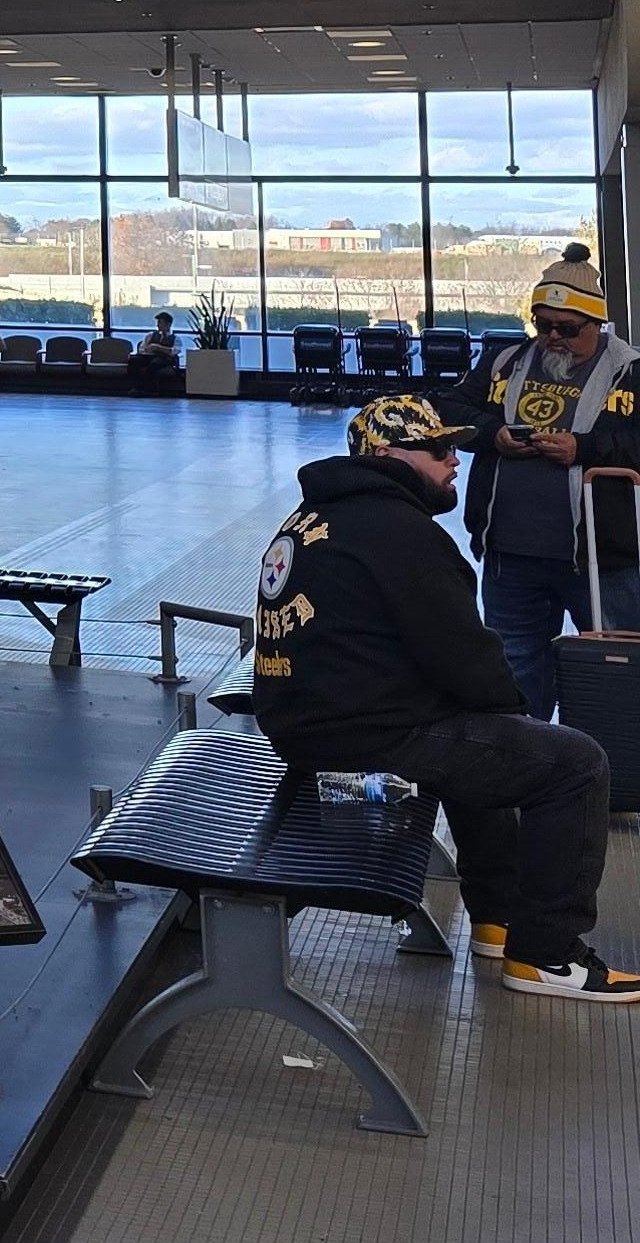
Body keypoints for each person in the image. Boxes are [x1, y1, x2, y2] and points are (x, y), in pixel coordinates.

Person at [251, 392, 637, 1000]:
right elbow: (467, 656)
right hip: (356, 741)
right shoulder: (398, 532)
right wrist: (513, 711)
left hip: (311, 724)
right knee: (575, 764)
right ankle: (547, 954)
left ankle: (498, 917)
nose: (456, 459)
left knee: (484, 736)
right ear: (388, 457)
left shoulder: (316, 517)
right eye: (437, 449)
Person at [437, 250, 640, 713]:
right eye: (542, 324)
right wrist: (494, 434)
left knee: (616, 676)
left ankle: (611, 756)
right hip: (511, 559)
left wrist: (583, 449)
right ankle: (528, 757)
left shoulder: (630, 371)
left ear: (596, 324)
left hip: (603, 561)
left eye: (567, 328)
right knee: (514, 675)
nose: (553, 338)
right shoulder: (504, 362)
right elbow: (449, 407)